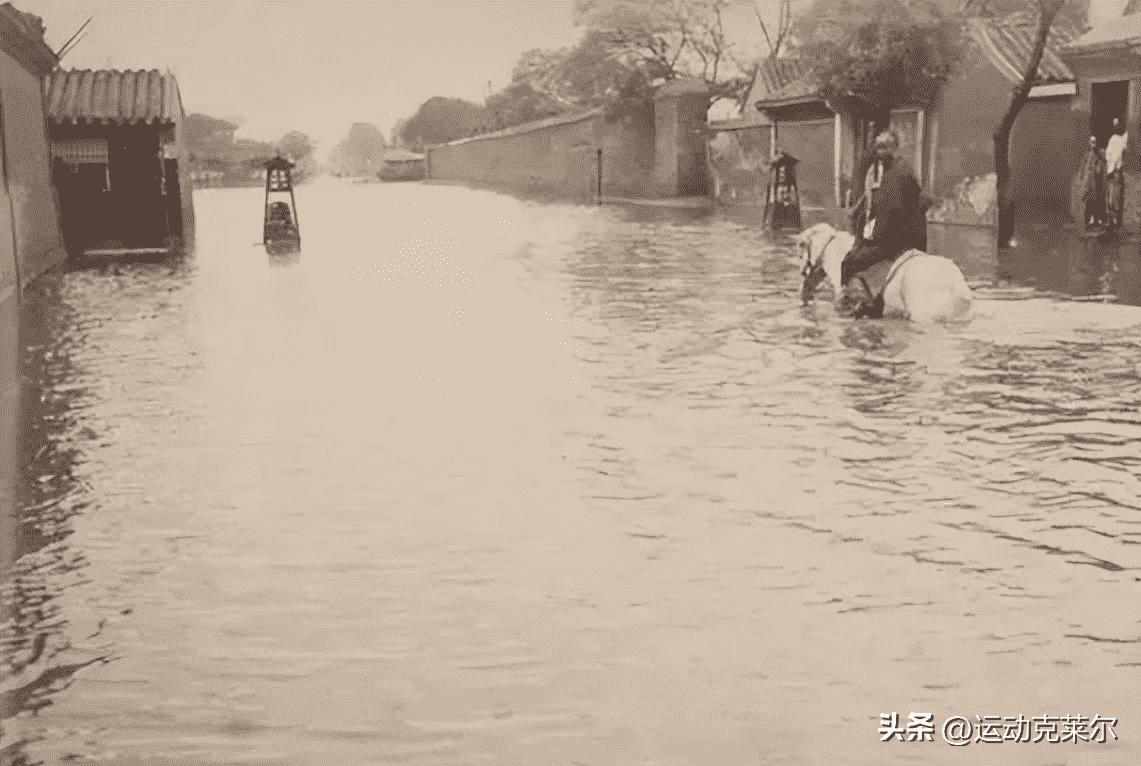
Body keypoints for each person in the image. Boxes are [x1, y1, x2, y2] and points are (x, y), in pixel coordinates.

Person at [800, 129, 932, 315]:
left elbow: (890, 214)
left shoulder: (894, 175)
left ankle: (854, 305)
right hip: (913, 239)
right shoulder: (904, 169)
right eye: (877, 148)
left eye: (884, 148)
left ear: (895, 148)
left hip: (897, 242)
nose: (879, 152)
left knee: (849, 262)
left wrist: (873, 239)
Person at [1104, 118, 1127, 230]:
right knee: (1110, 197)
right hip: (1111, 172)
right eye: (1115, 125)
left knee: (1115, 196)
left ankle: (1115, 220)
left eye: (1117, 125)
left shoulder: (1122, 139)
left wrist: (1117, 167)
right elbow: (1108, 155)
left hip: (1116, 172)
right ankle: (1111, 219)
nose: (1116, 127)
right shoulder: (1113, 139)